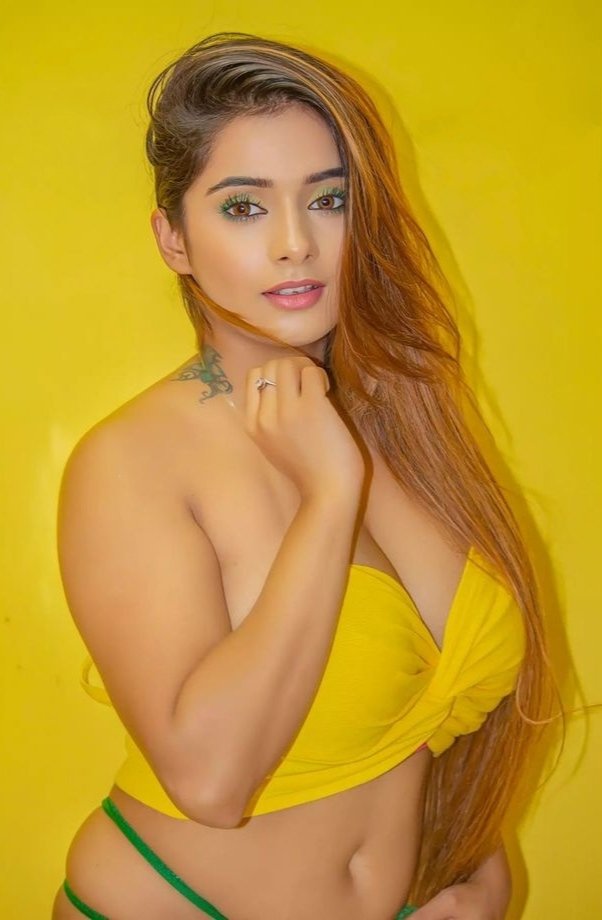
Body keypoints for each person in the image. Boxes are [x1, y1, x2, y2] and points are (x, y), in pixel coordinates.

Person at [52, 32, 557, 919]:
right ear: (174, 239)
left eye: (328, 199)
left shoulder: (407, 412)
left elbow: (434, 714)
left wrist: (479, 867)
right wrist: (329, 497)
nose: (296, 244)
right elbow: (211, 780)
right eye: (244, 207)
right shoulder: (130, 462)